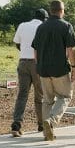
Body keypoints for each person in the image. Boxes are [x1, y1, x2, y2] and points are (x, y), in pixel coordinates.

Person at [31, 0, 75, 141]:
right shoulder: (66, 26)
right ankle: (51, 121)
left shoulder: (41, 27)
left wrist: (39, 65)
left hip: (43, 69)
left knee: (47, 100)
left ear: (50, 11)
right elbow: (71, 49)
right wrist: (74, 67)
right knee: (65, 96)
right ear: (62, 11)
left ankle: (47, 133)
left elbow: (35, 49)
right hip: (60, 69)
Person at [10, 8, 47, 137]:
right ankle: (42, 124)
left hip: (23, 62)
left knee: (22, 95)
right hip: (37, 64)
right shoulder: (43, 27)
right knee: (40, 96)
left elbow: (17, 44)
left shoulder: (23, 25)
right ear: (44, 18)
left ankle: (16, 124)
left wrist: (25, 51)